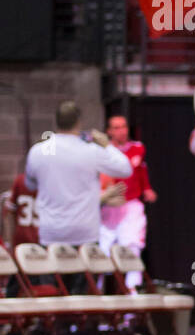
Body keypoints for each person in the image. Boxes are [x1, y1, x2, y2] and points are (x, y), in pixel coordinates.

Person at [25, 102, 132, 248]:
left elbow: (30, 185)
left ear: (56, 122)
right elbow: (125, 169)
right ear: (79, 122)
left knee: (52, 271)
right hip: (84, 233)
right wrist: (107, 145)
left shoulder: (37, 151)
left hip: (51, 232)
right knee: (84, 271)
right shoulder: (92, 151)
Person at [97, 114, 155, 290]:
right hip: (108, 207)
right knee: (101, 255)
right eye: (116, 127)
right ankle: (96, 296)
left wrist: (147, 188)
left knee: (131, 250)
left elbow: (141, 170)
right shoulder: (103, 153)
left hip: (131, 206)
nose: (121, 131)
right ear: (108, 131)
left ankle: (133, 299)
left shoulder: (138, 148)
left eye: (123, 126)